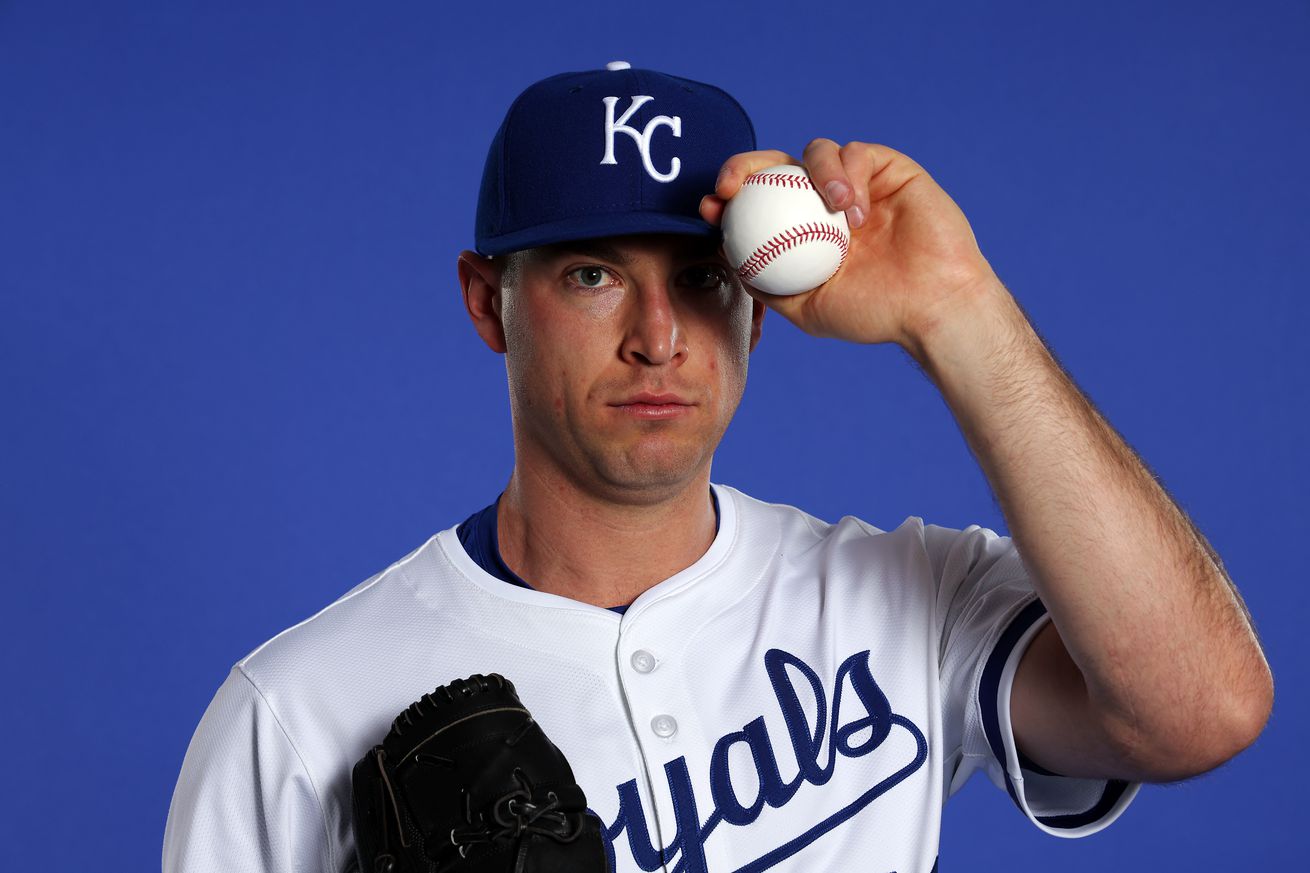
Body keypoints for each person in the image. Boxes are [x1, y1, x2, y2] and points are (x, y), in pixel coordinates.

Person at [162, 62, 1273, 873]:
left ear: (758, 305)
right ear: (485, 303)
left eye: (701, 279)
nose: (657, 335)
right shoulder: (295, 715)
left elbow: (1199, 710)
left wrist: (958, 311)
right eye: (592, 275)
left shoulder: (906, 600)